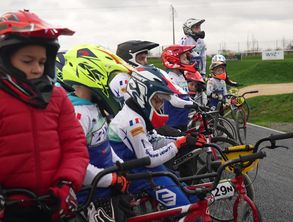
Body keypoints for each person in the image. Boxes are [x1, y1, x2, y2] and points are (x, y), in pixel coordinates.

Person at [0, 10, 89, 222]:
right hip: (10, 208)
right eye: (28, 61)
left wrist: (68, 183)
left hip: (52, 202)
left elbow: (75, 145)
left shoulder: (57, 97)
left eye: (41, 62)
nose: (37, 69)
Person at [108, 66, 206, 209]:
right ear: (143, 95)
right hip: (138, 175)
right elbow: (150, 158)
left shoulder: (136, 113)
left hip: (145, 171)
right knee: (187, 209)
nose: (160, 105)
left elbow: (155, 140)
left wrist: (185, 140)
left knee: (192, 196)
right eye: (158, 101)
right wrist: (178, 144)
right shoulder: (132, 121)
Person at [61, 44, 130, 221]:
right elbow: (76, 166)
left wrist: (119, 164)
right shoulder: (78, 113)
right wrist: (111, 179)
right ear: (92, 74)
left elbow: (103, 142)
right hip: (90, 195)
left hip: (103, 186)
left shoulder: (92, 106)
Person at [161, 44, 196, 131]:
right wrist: (193, 105)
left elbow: (186, 96)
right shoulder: (170, 78)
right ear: (174, 60)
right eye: (184, 59)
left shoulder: (181, 76)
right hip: (173, 122)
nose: (187, 61)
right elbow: (175, 101)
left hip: (182, 119)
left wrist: (197, 104)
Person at [112, 40, 159, 104]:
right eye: (141, 59)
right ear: (128, 60)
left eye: (145, 58)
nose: (145, 62)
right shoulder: (123, 81)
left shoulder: (135, 77)